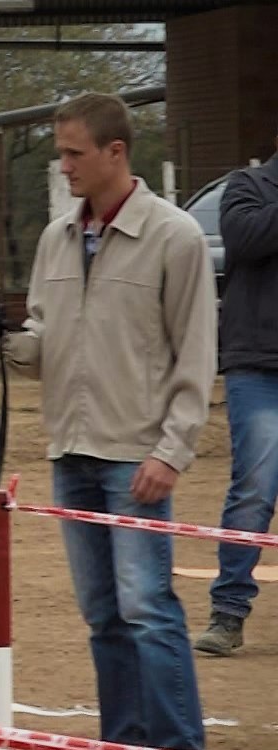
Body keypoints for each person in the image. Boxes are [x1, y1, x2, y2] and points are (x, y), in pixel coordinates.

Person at [0, 92, 215, 750]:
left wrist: (172, 450)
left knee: (147, 606)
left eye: (75, 153)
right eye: (61, 153)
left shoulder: (176, 238)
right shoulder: (56, 238)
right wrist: (1, 335)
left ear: (116, 153)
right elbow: (46, 342)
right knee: (103, 612)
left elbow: (196, 355)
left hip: (137, 453)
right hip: (69, 451)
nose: (64, 166)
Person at [193, 128, 278, 657]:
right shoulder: (248, 187)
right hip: (258, 366)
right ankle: (228, 612)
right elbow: (245, 239)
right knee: (254, 488)